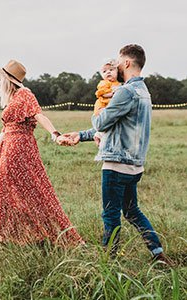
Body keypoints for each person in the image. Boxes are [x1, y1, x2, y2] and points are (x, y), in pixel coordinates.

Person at [62, 45, 171, 264]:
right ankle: (157, 253)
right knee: (131, 211)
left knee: (111, 214)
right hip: (134, 165)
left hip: (116, 164)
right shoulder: (143, 92)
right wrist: (81, 135)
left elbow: (102, 122)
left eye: (119, 62)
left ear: (128, 63)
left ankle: (108, 262)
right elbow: (116, 127)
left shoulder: (125, 91)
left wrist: (98, 112)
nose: (117, 66)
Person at [0, 59, 84, 245]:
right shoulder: (12, 99)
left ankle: (39, 234)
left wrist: (55, 134)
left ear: (8, 80)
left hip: (20, 149)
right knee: (6, 193)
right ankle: (9, 236)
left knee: (34, 191)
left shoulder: (25, 94)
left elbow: (39, 115)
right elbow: (4, 131)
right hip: (8, 149)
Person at [93, 59, 121, 146]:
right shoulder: (104, 83)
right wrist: (113, 93)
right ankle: (99, 135)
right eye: (105, 71)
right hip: (102, 104)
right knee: (105, 120)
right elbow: (102, 93)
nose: (108, 72)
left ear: (117, 71)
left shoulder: (118, 83)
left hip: (109, 105)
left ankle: (99, 135)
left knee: (110, 122)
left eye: (111, 70)